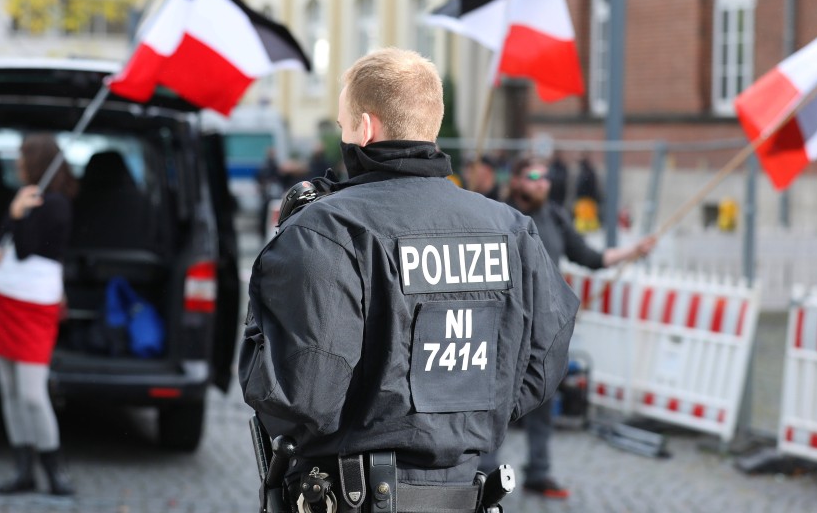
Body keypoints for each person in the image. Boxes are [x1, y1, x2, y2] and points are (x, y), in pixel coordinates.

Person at [239, 48, 579, 513]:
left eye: (343, 126)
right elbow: (544, 358)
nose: (343, 136)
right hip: (464, 492)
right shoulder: (511, 230)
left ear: (365, 127)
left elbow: (302, 396)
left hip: (349, 494)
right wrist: (468, 416)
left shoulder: (327, 231)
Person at [479, 156, 656, 499]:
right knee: (493, 404)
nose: (542, 182)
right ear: (515, 181)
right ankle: (484, 475)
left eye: (545, 177)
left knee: (543, 400)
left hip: (543, 330)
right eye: (533, 176)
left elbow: (591, 257)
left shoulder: (556, 217)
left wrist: (633, 251)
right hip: (501, 327)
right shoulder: (495, 212)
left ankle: (538, 472)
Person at [0, 134, 77, 497]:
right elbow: (1, 243)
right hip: (4, 298)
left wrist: (19, 214)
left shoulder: (56, 204)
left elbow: (26, 249)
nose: (18, 163)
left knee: (32, 394)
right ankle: (24, 471)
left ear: (35, 160)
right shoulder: (26, 196)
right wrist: (10, 220)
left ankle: (54, 470)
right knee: (10, 391)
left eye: (22, 156)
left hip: (33, 304)